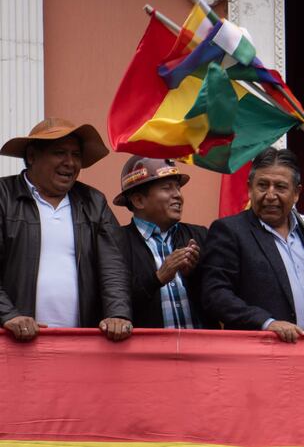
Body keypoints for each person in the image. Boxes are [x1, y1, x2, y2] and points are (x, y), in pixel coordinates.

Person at [0, 117, 132, 341]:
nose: (70, 162)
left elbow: (114, 266)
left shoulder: (93, 201)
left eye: (76, 155)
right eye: (59, 152)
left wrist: (117, 314)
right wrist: (9, 315)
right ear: (32, 156)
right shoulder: (3, 196)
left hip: (81, 344)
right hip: (13, 343)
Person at [200, 147, 304, 342]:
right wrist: (267, 323)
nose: (270, 195)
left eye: (280, 187)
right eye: (263, 186)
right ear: (250, 188)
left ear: (297, 193)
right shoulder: (230, 231)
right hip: (261, 354)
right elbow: (215, 294)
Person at [114, 156, 210, 329]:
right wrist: (158, 278)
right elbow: (113, 305)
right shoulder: (115, 243)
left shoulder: (200, 235)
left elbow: (219, 298)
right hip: (148, 353)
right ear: (139, 201)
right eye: (167, 188)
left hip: (200, 351)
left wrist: (194, 274)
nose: (178, 195)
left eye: (178, 188)